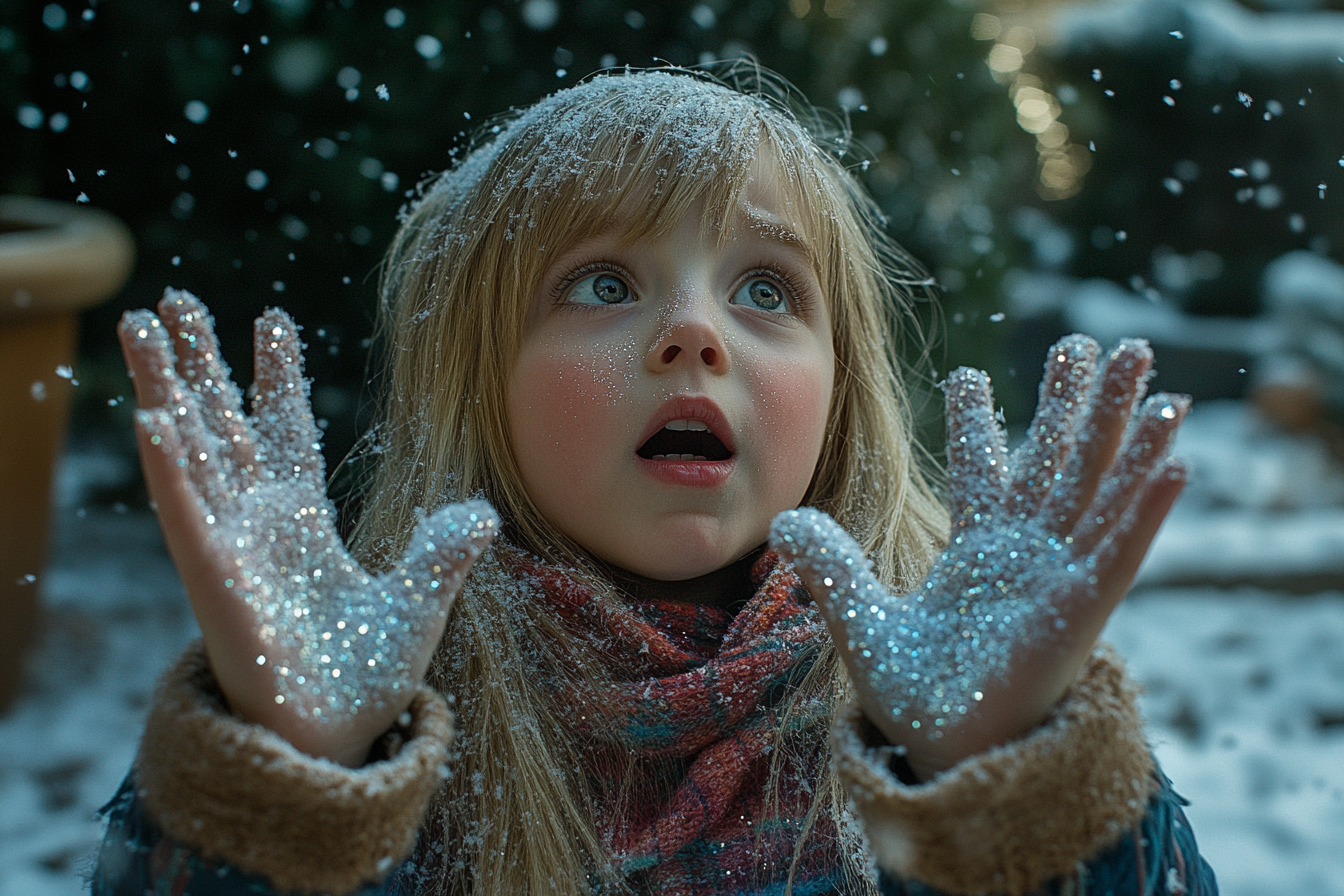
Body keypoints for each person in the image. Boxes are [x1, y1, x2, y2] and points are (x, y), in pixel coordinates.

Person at [93, 66, 1215, 896]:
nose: (692, 330)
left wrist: (1015, 789)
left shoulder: (958, 689)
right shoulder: (396, 730)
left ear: (841, 394)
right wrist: (291, 788)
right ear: (480, 380)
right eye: (602, 281)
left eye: (767, 290)